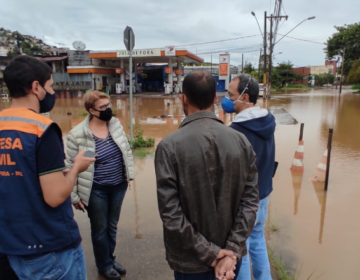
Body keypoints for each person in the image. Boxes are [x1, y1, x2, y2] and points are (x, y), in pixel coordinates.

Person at [155, 70, 259, 280]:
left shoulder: (168, 147)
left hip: (190, 263)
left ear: (182, 99)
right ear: (214, 99)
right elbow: (250, 202)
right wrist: (231, 250)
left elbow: (171, 213)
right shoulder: (241, 141)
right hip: (230, 261)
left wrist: (210, 253)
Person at [0, 55, 94, 279]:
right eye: (50, 86)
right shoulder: (42, 129)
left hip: (9, 244)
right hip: (48, 246)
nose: (51, 93)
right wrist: (75, 168)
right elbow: (54, 196)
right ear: (36, 87)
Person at [66, 90, 135, 280]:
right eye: (102, 107)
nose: (108, 110)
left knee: (112, 226)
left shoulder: (114, 124)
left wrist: (130, 174)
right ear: (91, 110)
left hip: (118, 185)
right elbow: (71, 167)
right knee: (100, 229)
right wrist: (74, 196)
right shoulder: (80, 135)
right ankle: (104, 265)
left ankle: (110, 259)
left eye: (108, 105)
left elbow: (126, 149)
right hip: (96, 189)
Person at [221, 74, 276, 280]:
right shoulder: (268, 121)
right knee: (258, 241)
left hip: (244, 204)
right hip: (263, 197)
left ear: (244, 97)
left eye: (230, 95)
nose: (226, 99)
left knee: (239, 249)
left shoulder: (236, 132)